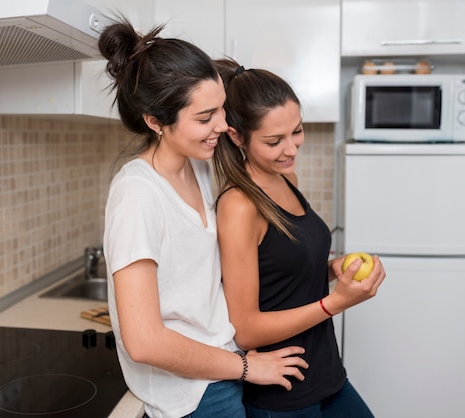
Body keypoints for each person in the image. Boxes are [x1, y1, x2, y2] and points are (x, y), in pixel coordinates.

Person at [99, 20, 309, 418]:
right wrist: (247, 367)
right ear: (155, 122)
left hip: (221, 370)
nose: (223, 126)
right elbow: (143, 341)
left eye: (222, 110)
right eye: (205, 116)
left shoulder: (199, 167)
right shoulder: (138, 194)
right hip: (191, 395)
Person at [212, 58, 386, 417]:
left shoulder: (286, 178)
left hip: (328, 375)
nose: (291, 149)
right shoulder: (239, 205)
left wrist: (331, 269)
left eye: (297, 131)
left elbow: (282, 278)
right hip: (283, 393)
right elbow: (245, 329)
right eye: (274, 141)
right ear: (236, 137)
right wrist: (334, 304)